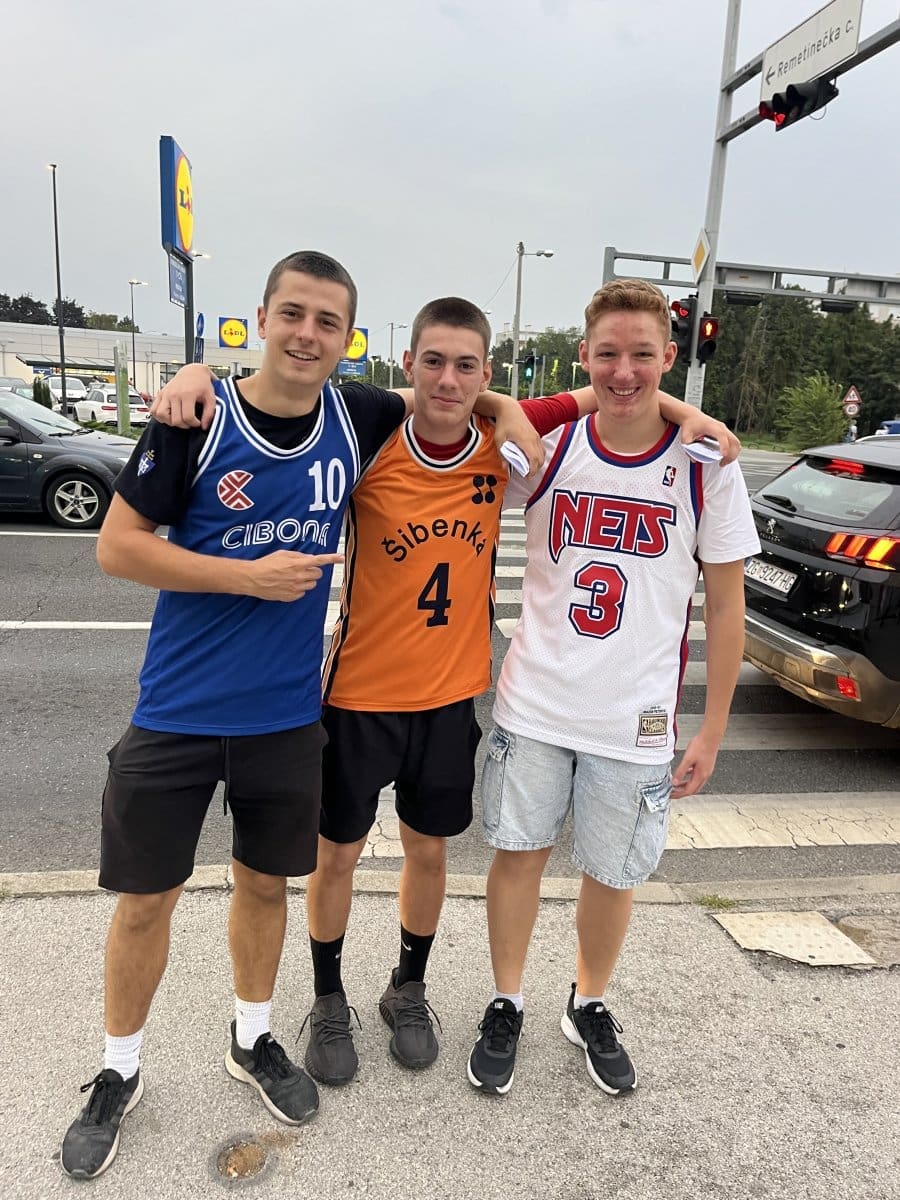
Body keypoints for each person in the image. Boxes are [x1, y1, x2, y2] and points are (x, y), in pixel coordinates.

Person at [152, 295, 739, 1090]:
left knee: (429, 852)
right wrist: (199, 376)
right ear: (409, 365)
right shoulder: (367, 439)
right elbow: (287, 396)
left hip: (448, 696)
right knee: (336, 855)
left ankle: (409, 986)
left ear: (488, 374)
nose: (449, 380)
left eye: (467, 368)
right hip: (358, 693)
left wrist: (685, 412)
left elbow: (611, 388)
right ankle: (328, 996)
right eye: (433, 362)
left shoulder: (504, 444)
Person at [60, 251, 537, 1181]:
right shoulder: (195, 418)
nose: (307, 334)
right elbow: (117, 549)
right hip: (178, 709)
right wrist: (245, 567)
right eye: (293, 314)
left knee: (265, 887)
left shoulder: (357, 416)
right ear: (264, 315)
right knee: (146, 902)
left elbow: (453, 393)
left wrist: (510, 407)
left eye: (327, 321)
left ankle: (253, 1039)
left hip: (284, 716)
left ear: (349, 339)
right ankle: (118, 1070)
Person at [466, 279, 760, 1099]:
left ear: (668, 356)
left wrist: (711, 731)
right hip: (537, 701)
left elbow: (727, 609)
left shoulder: (706, 466)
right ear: (583, 358)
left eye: (641, 355)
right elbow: (450, 405)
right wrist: (509, 404)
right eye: (607, 354)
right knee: (517, 856)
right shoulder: (551, 447)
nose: (624, 372)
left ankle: (588, 1001)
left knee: (614, 873)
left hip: (635, 717)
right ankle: (507, 999)